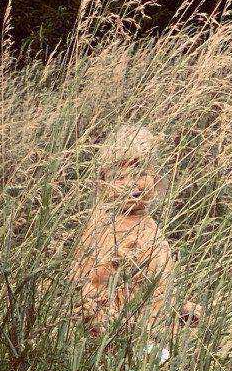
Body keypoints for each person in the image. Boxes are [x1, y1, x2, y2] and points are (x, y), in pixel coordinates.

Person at [71, 122, 199, 342]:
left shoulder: (148, 224)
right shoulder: (103, 226)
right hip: (125, 339)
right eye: (120, 176)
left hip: (158, 334)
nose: (132, 184)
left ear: (156, 177)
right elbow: (91, 291)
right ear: (103, 182)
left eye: (141, 173)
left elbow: (156, 286)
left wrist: (180, 307)